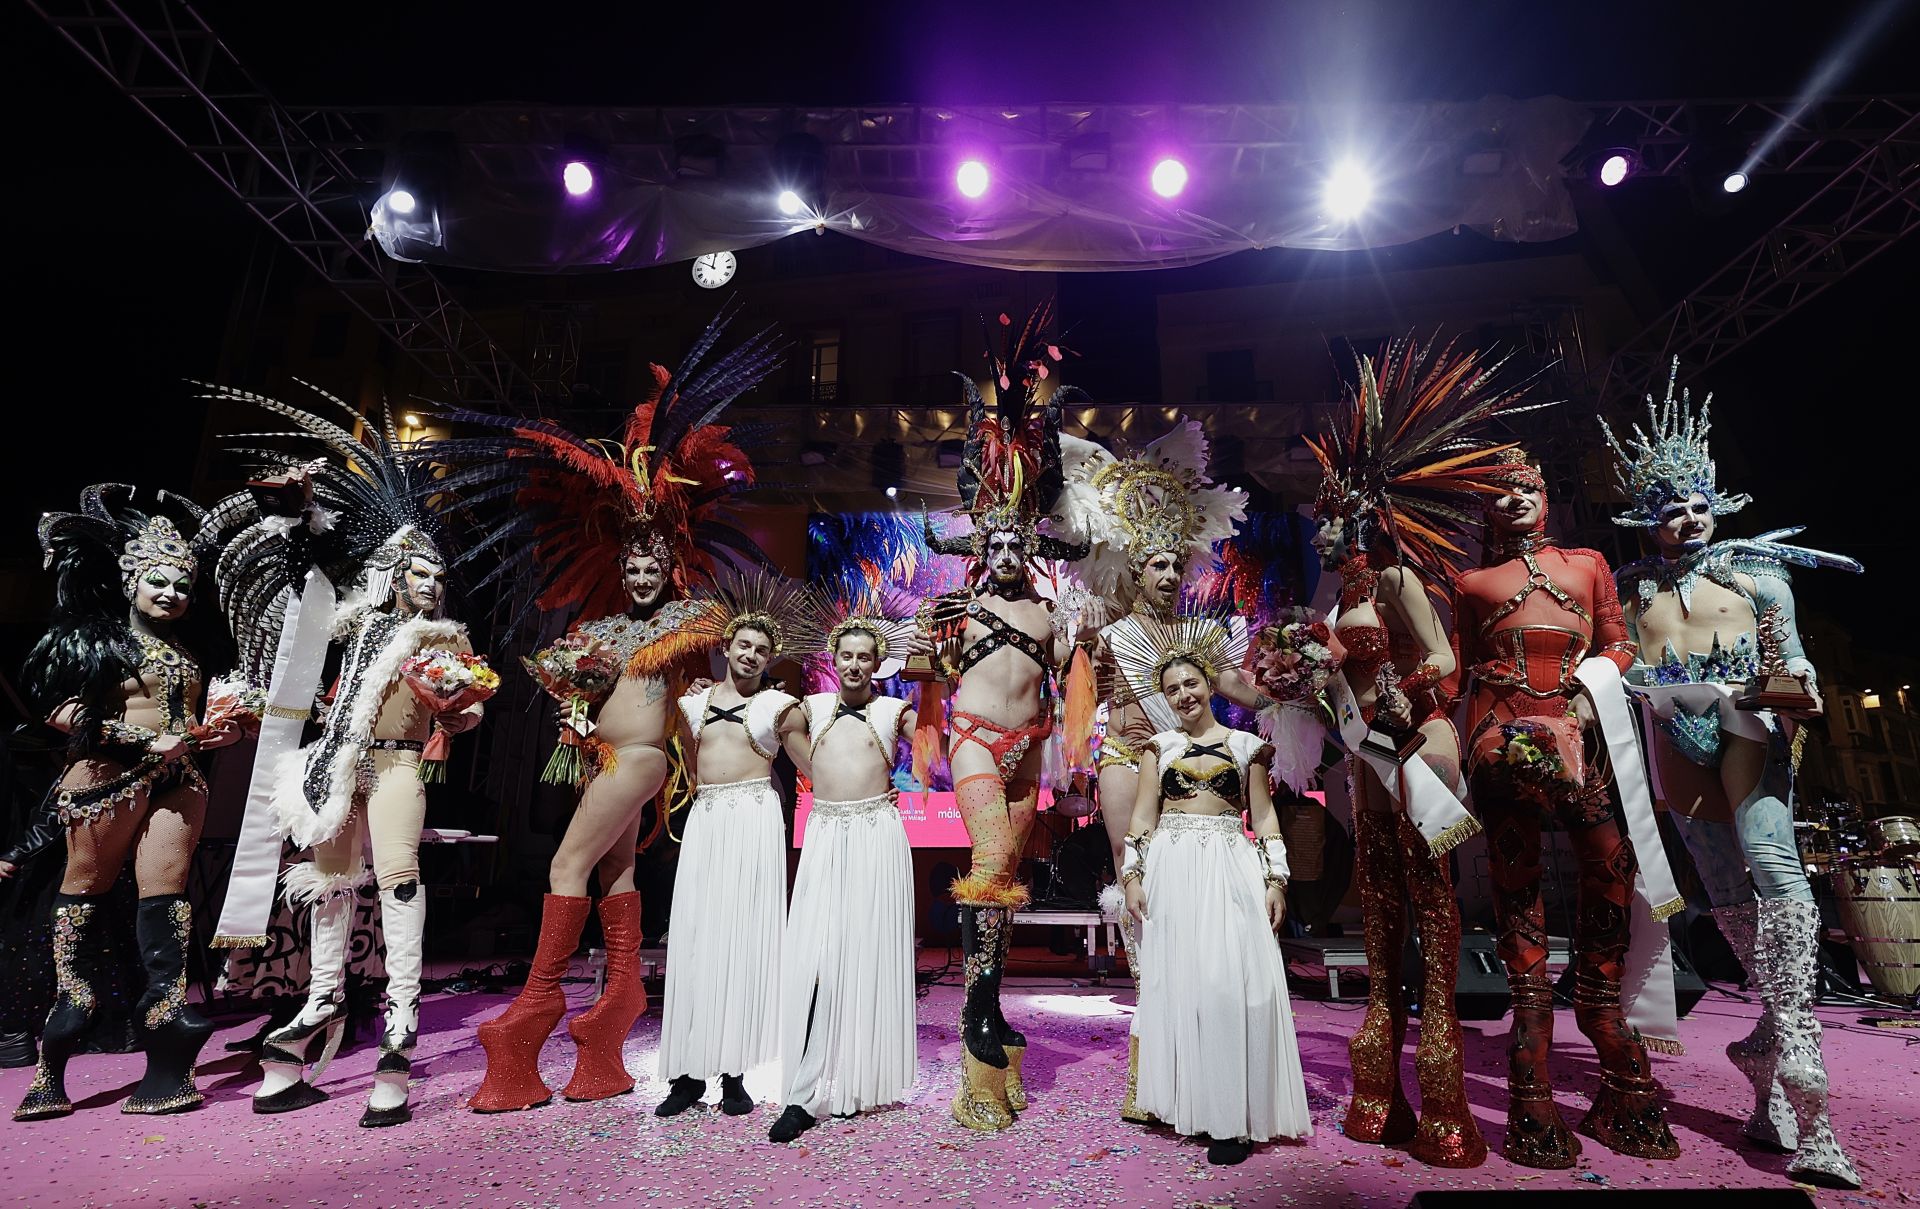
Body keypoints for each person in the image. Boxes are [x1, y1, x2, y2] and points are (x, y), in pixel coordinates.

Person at [445, 308, 781, 1113]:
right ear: (618, 566)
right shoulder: (597, 630)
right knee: (611, 869)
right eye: (629, 563)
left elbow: (708, 671)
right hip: (607, 759)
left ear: (669, 567)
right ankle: (618, 1006)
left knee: (564, 865)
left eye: (651, 563)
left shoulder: (687, 621)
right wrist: (568, 687)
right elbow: (568, 678)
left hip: (642, 762)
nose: (638, 572)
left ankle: (536, 1005)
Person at [1274, 335, 1545, 1168]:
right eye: (1323, 516)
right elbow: (1334, 690)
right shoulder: (1340, 595)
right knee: (1382, 904)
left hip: (1415, 747)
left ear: (1365, 518)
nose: (1325, 528)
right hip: (1368, 758)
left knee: (1429, 904)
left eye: (1335, 515)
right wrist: (1302, 680)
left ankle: (1443, 1087)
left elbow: (1443, 664)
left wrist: (1396, 695)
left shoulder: (1393, 582)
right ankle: (1382, 1074)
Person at [1601, 360, 1864, 1188]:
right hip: (1676, 744)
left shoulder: (1759, 574)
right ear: (1648, 518)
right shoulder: (1631, 589)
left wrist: (1802, 685)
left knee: (1773, 861)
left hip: (1750, 726)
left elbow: (1792, 660)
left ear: (1715, 503)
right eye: (1670, 509)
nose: (1686, 519)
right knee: (1722, 891)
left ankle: (1804, 1080)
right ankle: (1767, 1051)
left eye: (1697, 504)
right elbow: (1612, 662)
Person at [201, 388, 488, 1129]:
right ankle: (321, 1000)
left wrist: (462, 706)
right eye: (417, 574)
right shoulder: (358, 624)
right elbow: (320, 570)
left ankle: (400, 1021)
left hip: (396, 766)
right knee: (328, 886)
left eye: (437, 577)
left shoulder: (441, 640)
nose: (429, 584)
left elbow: (472, 700)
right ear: (394, 576)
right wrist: (300, 515)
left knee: (396, 881)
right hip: (336, 764)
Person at [1452, 449, 1685, 1166]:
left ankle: (1606, 1026)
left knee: (1608, 870)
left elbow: (1620, 644)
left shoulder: (1588, 564)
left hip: (1586, 741)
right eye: (1501, 492)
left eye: (1526, 486)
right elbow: (1458, 671)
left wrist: (1590, 692)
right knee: (1518, 896)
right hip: (1502, 746)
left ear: (1547, 495)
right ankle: (1531, 1077)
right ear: (1488, 509)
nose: (1515, 497)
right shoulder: (1471, 582)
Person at [1051, 418, 1259, 1120]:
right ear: (1135, 568)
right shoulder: (1104, 631)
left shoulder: (1201, 637)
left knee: (1198, 899)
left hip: (1196, 777)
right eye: (1157, 564)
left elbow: (1244, 693)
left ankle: (1202, 1035)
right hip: (1125, 763)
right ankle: (1153, 1050)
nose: (1170, 574)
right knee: (1140, 897)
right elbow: (1069, 691)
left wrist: (1300, 679)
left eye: (1177, 563)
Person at [15, 487, 245, 1120]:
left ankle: (167, 1036)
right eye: (158, 582)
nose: (172, 594)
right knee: (83, 896)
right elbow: (56, 709)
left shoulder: (190, 653)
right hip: (105, 779)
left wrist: (219, 732)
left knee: (166, 897)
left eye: (181, 586)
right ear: (130, 582)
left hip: (181, 782)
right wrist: (138, 737)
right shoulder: (94, 641)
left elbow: (192, 719)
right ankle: (60, 1041)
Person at [920, 302, 1091, 1131]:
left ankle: (994, 1002)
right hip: (977, 746)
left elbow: (1072, 685)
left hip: (1031, 754)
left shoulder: (1050, 616)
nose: (1007, 555)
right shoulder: (960, 605)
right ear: (978, 547)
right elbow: (928, 670)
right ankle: (977, 1013)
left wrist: (1082, 743)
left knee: (1007, 884)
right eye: (994, 545)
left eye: (1018, 545)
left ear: (1031, 547)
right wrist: (922, 652)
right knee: (989, 857)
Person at [1116, 615, 1311, 1166]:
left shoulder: (1247, 746)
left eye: (1191, 683)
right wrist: (1132, 876)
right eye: (1172, 689)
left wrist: (1276, 881)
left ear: (1208, 683)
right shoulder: (1159, 748)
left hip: (1230, 865)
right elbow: (1141, 819)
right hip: (1174, 870)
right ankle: (1199, 1107)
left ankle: (1235, 1116)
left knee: (1235, 986)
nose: (1183, 695)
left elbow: (1266, 820)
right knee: (1189, 988)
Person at [654, 574, 819, 1118]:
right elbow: (688, 757)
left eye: (761, 650)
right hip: (708, 819)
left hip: (754, 818)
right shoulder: (692, 704)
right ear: (726, 648)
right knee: (698, 939)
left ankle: (734, 1073)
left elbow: (811, 767)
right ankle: (686, 1075)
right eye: (743, 646)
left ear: (770, 658)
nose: (751, 655)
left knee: (742, 941)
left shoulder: (779, 706)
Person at [768, 599, 920, 1143]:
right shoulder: (810, 705)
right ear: (833, 657)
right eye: (847, 655)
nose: (855, 664)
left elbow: (933, 745)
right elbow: (773, 723)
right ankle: (802, 1094)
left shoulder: (895, 711)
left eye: (865, 657)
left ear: (878, 662)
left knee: (866, 956)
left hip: (878, 836)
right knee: (814, 960)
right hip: (826, 833)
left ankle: (858, 1083)